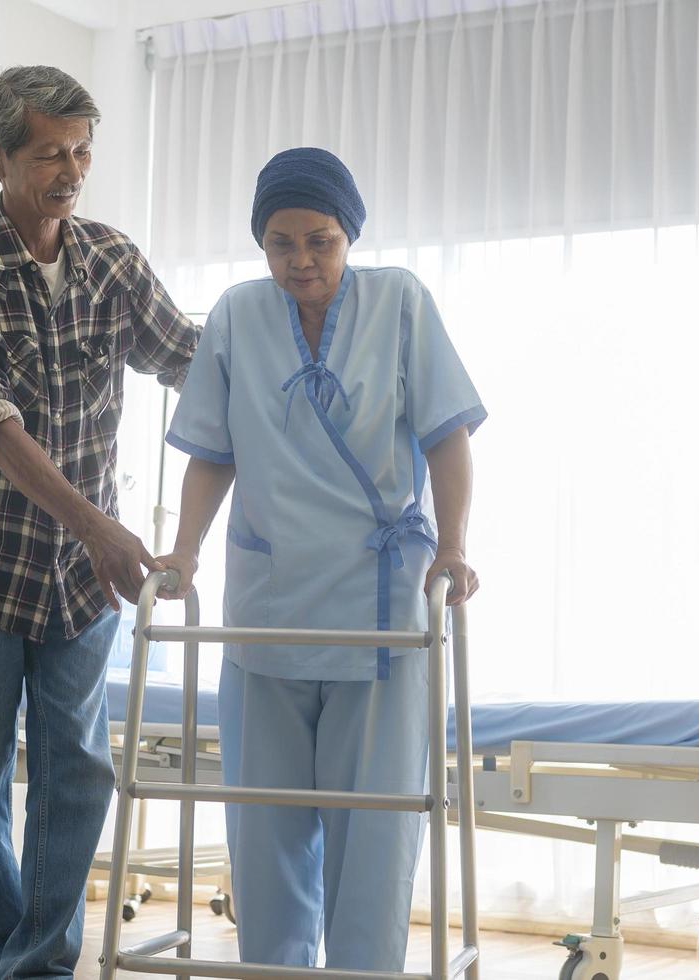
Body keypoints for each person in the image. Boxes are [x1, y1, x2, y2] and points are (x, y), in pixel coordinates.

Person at [156, 147, 485, 972]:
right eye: (280, 243)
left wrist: (452, 547)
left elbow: (447, 436)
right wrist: (184, 554)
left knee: (371, 827)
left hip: (375, 609)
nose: (301, 261)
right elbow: (212, 452)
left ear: (351, 236)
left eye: (321, 241)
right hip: (267, 602)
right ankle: (274, 967)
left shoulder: (400, 302)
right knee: (262, 826)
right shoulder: (236, 315)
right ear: (259, 244)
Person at [0, 65, 197, 980]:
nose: (70, 171)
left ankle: (35, 966)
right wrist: (103, 531)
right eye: (47, 155)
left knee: (77, 772)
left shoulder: (112, 259)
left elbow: (189, 359)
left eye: (81, 151)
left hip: (79, 584)